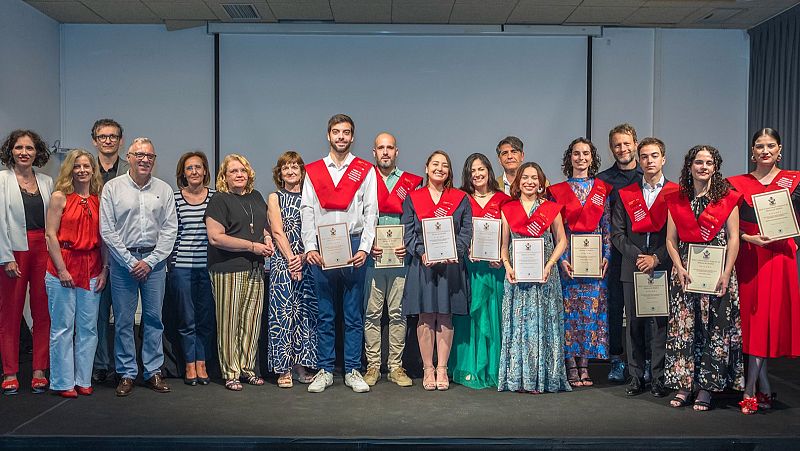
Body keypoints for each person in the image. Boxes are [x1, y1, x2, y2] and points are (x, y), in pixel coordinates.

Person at [301, 114, 378, 394]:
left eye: (346, 132)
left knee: (352, 313)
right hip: (322, 246)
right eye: (336, 132)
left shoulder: (364, 170)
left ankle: (353, 370)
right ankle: (325, 369)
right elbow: (307, 210)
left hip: (354, 244)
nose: (341, 137)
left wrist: (365, 248)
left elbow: (371, 212)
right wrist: (310, 246)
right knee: (325, 313)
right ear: (328, 135)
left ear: (353, 137)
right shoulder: (314, 171)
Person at [664, 145, 744, 411]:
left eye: (709, 163)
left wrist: (726, 272)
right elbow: (670, 239)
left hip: (718, 276)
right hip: (686, 276)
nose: (704, 167)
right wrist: (679, 267)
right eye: (699, 162)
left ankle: (707, 388)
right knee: (685, 330)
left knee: (713, 330)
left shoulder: (727, 198)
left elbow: (734, 238)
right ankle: (684, 386)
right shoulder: (677, 199)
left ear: (715, 167)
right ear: (690, 166)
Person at [728, 128, 800, 414]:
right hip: (749, 257)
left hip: (780, 259)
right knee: (754, 321)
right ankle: (763, 383)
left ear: (779, 149)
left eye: (771, 146)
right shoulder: (735, 184)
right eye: (760, 146)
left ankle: (751, 387)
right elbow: (729, 227)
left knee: (770, 319)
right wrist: (749, 238)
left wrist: (794, 237)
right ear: (752, 151)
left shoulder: (795, 180)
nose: (765, 151)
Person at [100, 137, 177, 397]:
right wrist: (132, 261)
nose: (145, 160)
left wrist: (150, 261)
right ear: (129, 157)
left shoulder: (164, 190)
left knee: (154, 320)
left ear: (154, 161)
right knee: (123, 321)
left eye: (150, 156)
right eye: (140, 155)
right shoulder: (112, 188)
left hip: (154, 265)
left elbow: (169, 230)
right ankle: (126, 373)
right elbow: (107, 231)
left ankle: (154, 371)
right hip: (123, 265)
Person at [610, 138, 677, 398]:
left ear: (663, 159)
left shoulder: (676, 192)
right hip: (632, 267)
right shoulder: (627, 193)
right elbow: (617, 234)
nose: (650, 161)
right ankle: (636, 376)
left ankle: (659, 378)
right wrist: (640, 257)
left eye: (654, 156)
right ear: (640, 159)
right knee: (634, 325)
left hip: (662, 267)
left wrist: (656, 259)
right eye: (645, 156)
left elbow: (678, 234)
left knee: (660, 325)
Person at [402, 150, 472, 391]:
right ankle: (427, 368)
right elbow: (408, 232)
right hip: (423, 265)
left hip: (450, 267)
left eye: (444, 165)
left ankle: (442, 368)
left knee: (444, 316)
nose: (439, 168)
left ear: (449, 171)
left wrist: (457, 250)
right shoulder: (413, 197)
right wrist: (422, 252)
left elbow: (466, 231)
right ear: (426, 167)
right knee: (424, 316)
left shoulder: (460, 198)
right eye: (435, 164)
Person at [498, 162, 570, 393]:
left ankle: (544, 378)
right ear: (517, 181)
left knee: (544, 324)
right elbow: (504, 244)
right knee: (520, 326)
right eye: (525, 177)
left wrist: (550, 264)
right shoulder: (508, 209)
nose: (529, 181)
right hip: (518, 278)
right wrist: (507, 266)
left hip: (545, 277)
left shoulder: (551, 208)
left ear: (541, 182)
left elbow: (562, 241)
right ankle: (519, 379)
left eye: (534, 178)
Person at [205, 154, 273, 391]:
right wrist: (252, 246)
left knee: (251, 322)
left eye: (243, 170)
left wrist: (266, 238)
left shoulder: (256, 197)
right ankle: (231, 372)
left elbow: (264, 226)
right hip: (227, 269)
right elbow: (216, 237)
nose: (239, 174)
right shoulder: (219, 200)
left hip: (255, 267)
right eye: (233, 171)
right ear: (224, 176)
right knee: (229, 322)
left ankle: (247, 368)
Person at [548, 138, 612, 388]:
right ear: (569, 158)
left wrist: (607, 255)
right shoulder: (557, 191)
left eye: (586, 153)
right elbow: (556, 229)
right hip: (569, 263)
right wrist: (562, 259)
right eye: (576, 153)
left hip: (596, 263)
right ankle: (570, 366)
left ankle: (585, 366)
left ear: (592, 158)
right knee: (569, 314)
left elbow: (606, 225)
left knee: (590, 315)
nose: (581, 158)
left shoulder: (602, 189)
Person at [44, 149, 107, 397]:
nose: (82, 170)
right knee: (62, 327)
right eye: (77, 166)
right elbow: (50, 235)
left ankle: (83, 378)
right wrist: (61, 269)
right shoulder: (60, 197)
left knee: (88, 328)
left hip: (92, 265)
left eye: (86, 166)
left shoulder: (98, 198)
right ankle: (62, 382)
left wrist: (104, 270)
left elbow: (104, 239)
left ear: (93, 170)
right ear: (70, 170)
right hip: (64, 265)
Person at [363, 133, 420, 387]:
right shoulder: (365, 179)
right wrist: (366, 245)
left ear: (397, 152)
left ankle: (396, 366)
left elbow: (417, 218)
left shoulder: (410, 183)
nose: (385, 152)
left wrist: (408, 245)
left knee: (398, 313)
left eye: (390, 148)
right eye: (380, 148)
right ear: (373, 152)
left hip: (400, 257)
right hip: (372, 257)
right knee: (372, 313)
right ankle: (373, 365)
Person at [0, 129, 53, 395]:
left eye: (29, 148)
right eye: (19, 147)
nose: (24, 152)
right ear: (11, 151)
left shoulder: (46, 181)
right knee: (10, 313)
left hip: (42, 249)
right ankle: (10, 372)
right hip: (14, 251)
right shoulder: (1, 180)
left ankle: (39, 370)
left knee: (43, 311)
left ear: (37, 152)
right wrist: (5, 257)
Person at [449, 153, 509, 389]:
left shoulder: (504, 199)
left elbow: (509, 234)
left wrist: (502, 256)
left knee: (494, 317)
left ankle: (493, 367)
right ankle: (471, 367)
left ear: (489, 171)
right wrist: (466, 250)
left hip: (495, 269)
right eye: (472, 170)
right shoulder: (462, 199)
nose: (477, 174)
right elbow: (456, 231)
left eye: (481, 168)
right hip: (470, 266)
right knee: (470, 319)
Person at [597, 123, 643, 384]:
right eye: (617, 145)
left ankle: (645, 361)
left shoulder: (647, 176)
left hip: (644, 255)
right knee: (614, 309)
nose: (622, 149)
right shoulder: (603, 181)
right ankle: (616, 359)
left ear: (635, 143)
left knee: (645, 310)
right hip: (613, 257)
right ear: (611, 148)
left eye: (627, 143)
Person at [267, 151, 318, 388]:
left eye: (295, 167)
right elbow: (277, 231)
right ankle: (283, 369)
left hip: (308, 262)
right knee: (283, 314)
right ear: (280, 173)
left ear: (302, 171)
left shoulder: (311, 197)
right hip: (283, 263)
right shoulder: (274, 197)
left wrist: (303, 258)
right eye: (285, 168)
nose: (290, 171)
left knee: (304, 315)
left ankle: (300, 366)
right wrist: (291, 259)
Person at [168, 151, 215, 386]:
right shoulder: (174, 198)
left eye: (198, 167)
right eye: (189, 168)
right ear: (183, 173)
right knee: (187, 318)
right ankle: (189, 364)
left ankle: (202, 363)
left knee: (205, 318)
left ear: (205, 171)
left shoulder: (216, 197)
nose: (194, 172)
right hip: (181, 267)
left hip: (209, 267)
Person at [90, 118, 128, 384]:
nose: (108, 140)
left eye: (113, 136)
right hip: (93, 248)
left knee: (124, 314)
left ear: (120, 141)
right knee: (99, 312)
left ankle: (122, 366)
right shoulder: (83, 168)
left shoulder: (131, 168)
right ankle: (101, 364)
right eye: (102, 136)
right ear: (95, 140)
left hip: (125, 249)